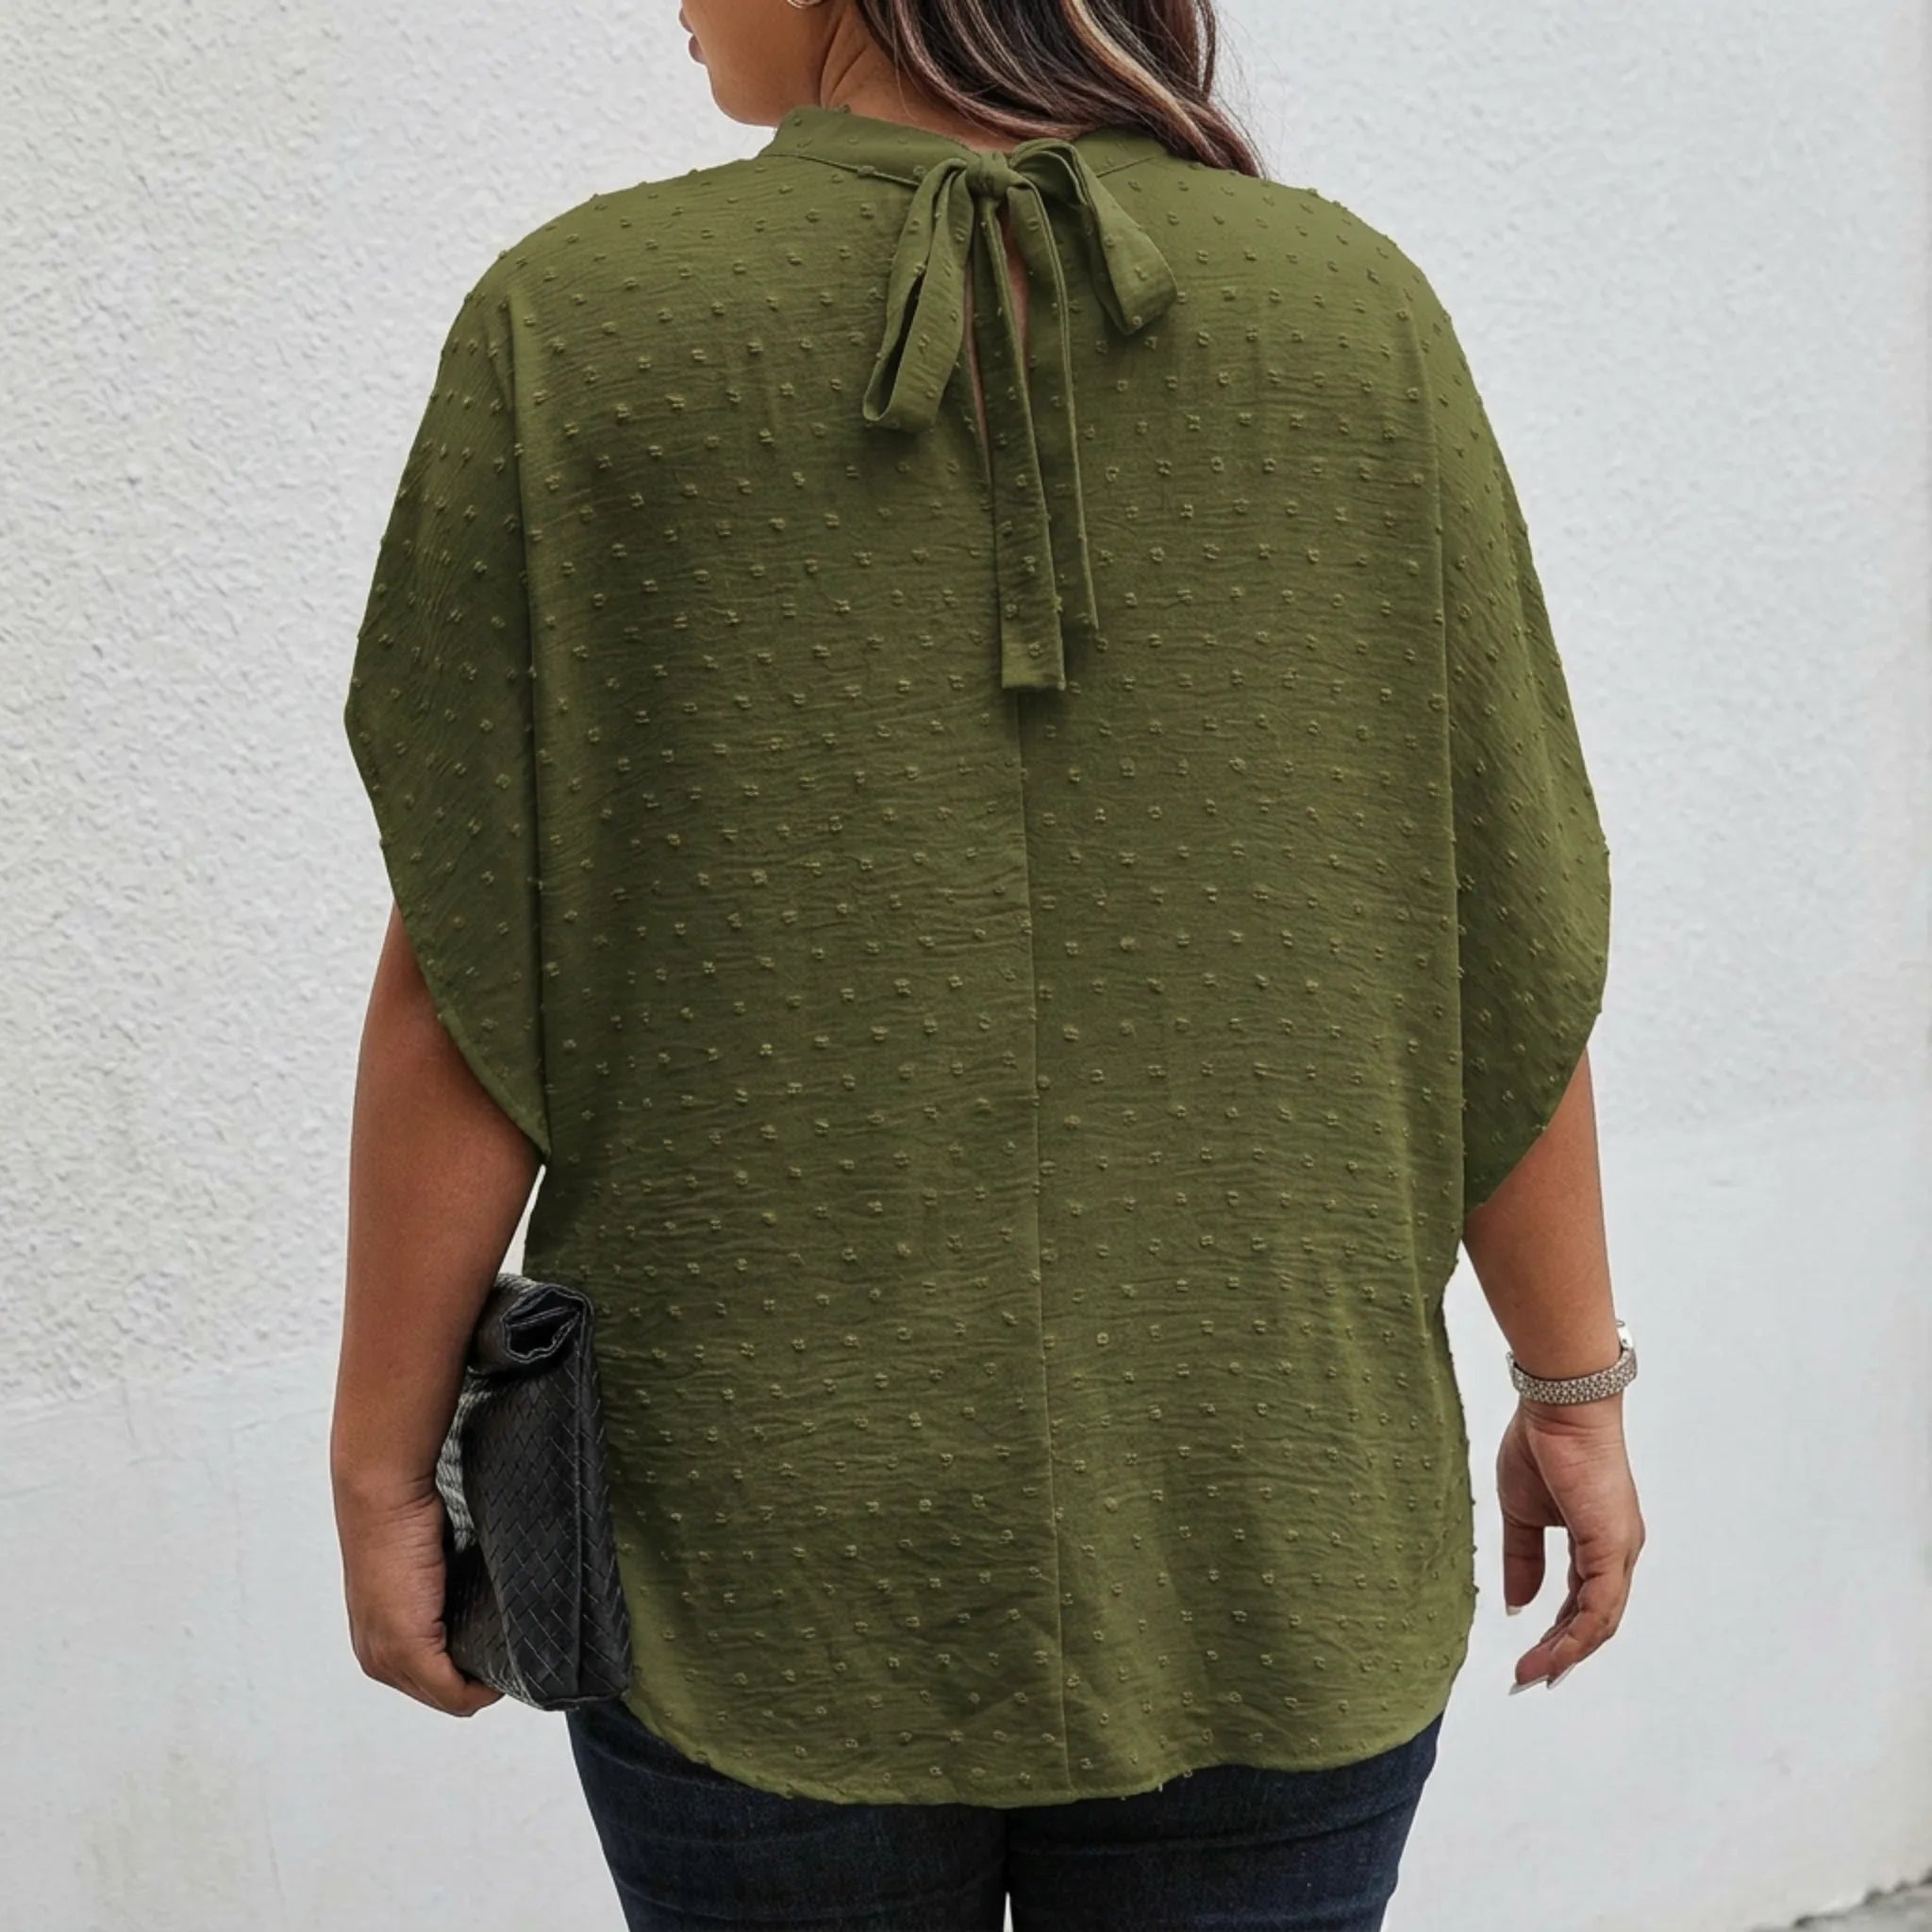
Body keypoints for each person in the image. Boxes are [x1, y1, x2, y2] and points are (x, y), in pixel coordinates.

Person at [330, 1, 1646, 1925]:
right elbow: (1496, 942)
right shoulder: (1350, 326)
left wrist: (384, 1469)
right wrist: (1574, 1387)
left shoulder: (580, 330)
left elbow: (468, 965)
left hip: (749, 1557)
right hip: (1265, 1525)